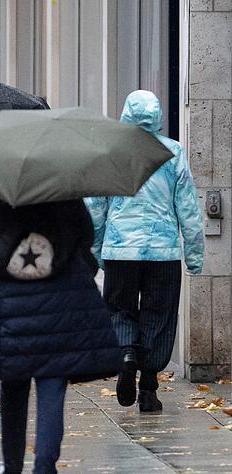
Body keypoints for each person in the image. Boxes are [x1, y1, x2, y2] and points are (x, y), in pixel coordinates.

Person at [0, 197, 123, 474]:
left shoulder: (4, 194)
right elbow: (85, 235)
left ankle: (11, 466)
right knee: (53, 385)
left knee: (13, 387)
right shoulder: (65, 194)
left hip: (10, 306)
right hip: (58, 305)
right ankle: (45, 465)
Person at [86, 90, 204, 412]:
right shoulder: (172, 153)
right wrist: (194, 255)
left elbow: (95, 206)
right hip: (163, 253)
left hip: (121, 250)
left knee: (119, 310)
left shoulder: (111, 152)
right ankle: (149, 388)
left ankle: (126, 353)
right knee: (160, 316)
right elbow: (188, 209)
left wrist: (97, 250)